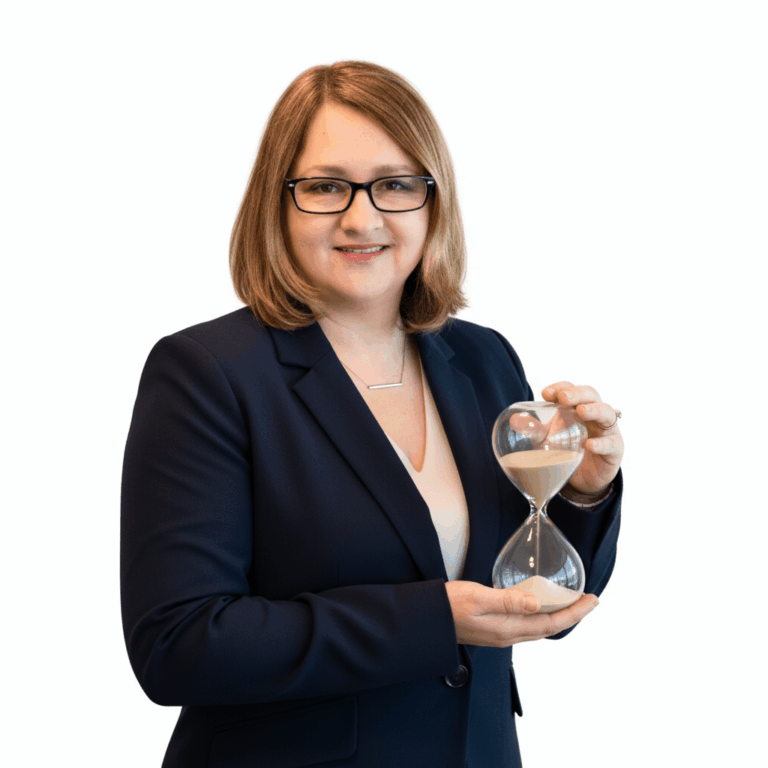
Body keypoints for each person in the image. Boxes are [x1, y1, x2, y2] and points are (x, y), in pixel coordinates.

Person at [120, 60, 624, 768]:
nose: (362, 218)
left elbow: (535, 598)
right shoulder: (207, 373)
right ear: (278, 201)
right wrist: (431, 620)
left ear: (432, 201)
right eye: (327, 187)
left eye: (395, 184)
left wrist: (583, 491)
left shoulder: (482, 358)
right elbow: (178, 646)